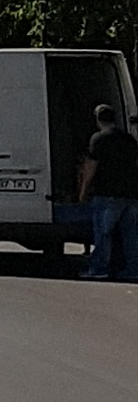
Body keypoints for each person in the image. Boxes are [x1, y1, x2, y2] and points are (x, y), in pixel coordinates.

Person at [76, 100, 138, 279]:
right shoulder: (129, 139)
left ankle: (99, 269)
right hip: (131, 194)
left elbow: (91, 167)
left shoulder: (98, 139)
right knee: (130, 236)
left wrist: (83, 190)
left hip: (106, 193)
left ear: (98, 119)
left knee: (103, 234)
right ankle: (133, 270)